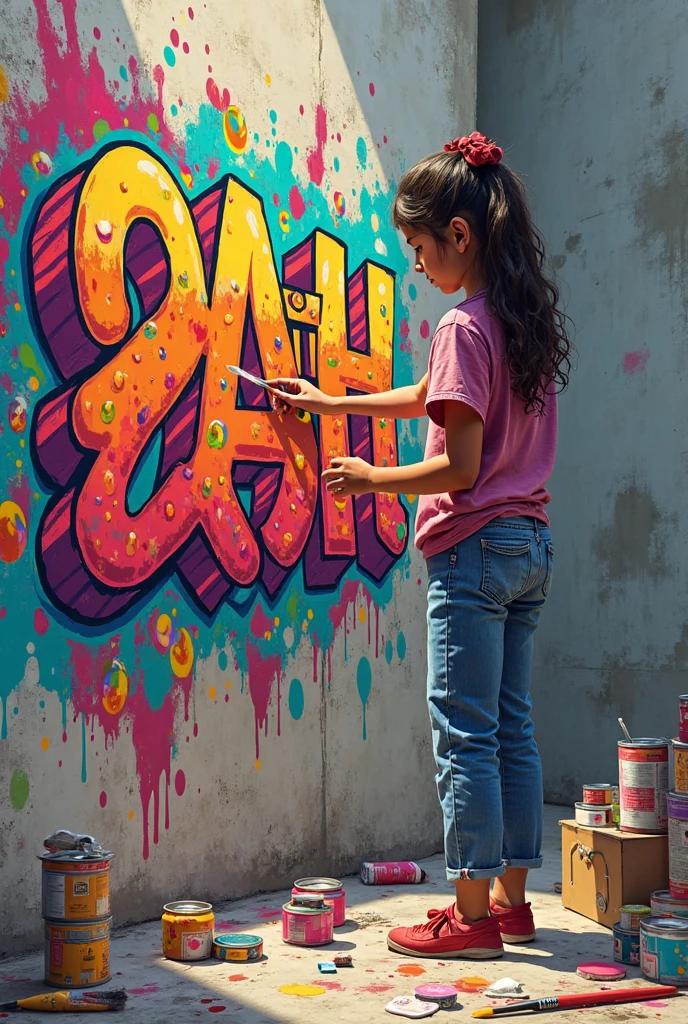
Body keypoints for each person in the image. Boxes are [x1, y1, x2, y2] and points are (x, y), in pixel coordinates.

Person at [269, 131, 571, 960]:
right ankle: (510, 904)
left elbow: (461, 465)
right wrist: (337, 403)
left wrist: (371, 478)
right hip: (529, 548)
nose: (415, 263)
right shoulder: (516, 322)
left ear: (459, 238)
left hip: (472, 551)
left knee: (463, 732)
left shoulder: (461, 325)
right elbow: (443, 396)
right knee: (510, 726)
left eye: (418, 246)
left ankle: (468, 918)